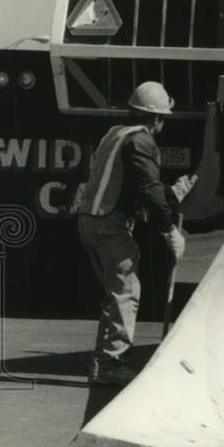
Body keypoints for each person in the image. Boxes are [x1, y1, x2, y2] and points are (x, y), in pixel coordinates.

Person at [76, 81, 197, 386]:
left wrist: (174, 191)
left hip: (89, 222)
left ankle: (103, 362)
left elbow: (135, 189)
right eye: (162, 118)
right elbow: (148, 192)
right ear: (155, 118)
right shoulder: (142, 142)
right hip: (108, 225)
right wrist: (170, 231)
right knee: (126, 290)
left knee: (115, 292)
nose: (162, 124)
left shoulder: (114, 134)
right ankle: (112, 365)